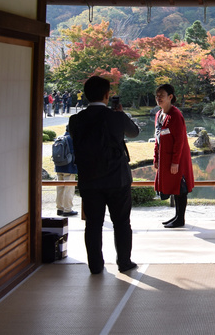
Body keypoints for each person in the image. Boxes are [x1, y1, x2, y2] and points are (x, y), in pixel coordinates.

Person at [68, 76, 140, 274]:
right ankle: (124, 262)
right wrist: (121, 115)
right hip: (117, 178)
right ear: (107, 95)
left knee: (93, 224)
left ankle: (95, 266)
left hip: (89, 179)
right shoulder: (116, 117)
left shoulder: (75, 120)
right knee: (121, 222)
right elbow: (134, 132)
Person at [153, 83, 195, 228]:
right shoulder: (159, 114)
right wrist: (156, 158)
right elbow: (157, 138)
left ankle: (180, 218)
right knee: (173, 187)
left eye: (162, 96)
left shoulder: (175, 115)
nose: (158, 98)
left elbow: (180, 141)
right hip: (165, 157)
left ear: (170, 97)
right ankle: (176, 216)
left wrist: (175, 162)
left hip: (177, 159)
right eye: (157, 96)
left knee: (180, 187)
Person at [54, 126, 78, 217]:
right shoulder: (72, 139)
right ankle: (67, 209)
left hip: (59, 166)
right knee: (69, 188)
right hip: (69, 167)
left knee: (59, 188)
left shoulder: (59, 138)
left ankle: (60, 208)